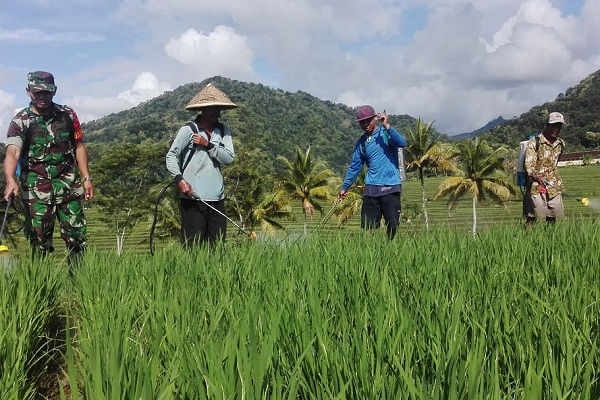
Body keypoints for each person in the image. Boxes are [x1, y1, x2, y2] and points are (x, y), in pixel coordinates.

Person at [3, 71, 94, 264]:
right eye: (38, 93)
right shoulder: (21, 121)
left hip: (68, 186)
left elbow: (79, 146)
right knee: (39, 242)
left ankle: (80, 285)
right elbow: (12, 151)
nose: (42, 97)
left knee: (76, 237)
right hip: (36, 190)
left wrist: (86, 178)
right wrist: (11, 179)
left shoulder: (67, 115)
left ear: (54, 92)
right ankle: (41, 287)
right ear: (28, 92)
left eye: (47, 92)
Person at [165, 83, 236, 248]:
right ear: (203, 110)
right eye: (212, 108)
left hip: (217, 198)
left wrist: (208, 145)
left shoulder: (223, 131)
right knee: (193, 247)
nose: (216, 112)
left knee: (216, 246)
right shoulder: (189, 130)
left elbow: (229, 158)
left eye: (218, 108)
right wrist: (179, 180)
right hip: (193, 197)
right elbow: (172, 156)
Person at [337, 105, 407, 239]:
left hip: (390, 186)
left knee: (392, 224)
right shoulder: (361, 143)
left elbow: (401, 143)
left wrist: (387, 125)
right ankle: (371, 252)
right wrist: (344, 187)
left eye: (367, 121)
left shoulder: (386, 133)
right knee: (368, 227)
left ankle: (390, 249)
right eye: (361, 122)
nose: (365, 124)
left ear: (375, 118)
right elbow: (355, 167)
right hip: (371, 188)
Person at [523, 111, 566, 228]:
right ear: (546, 125)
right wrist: (537, 177)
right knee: (532, 216)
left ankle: (550, 240)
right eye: (553, 125)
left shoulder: (560, 144)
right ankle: (527, 238)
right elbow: (529, 166)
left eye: (559, 126)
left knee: (553, 216)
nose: (556, 129)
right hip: (536, 185)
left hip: (553, 184)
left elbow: (555, 164)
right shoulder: (535, 143)